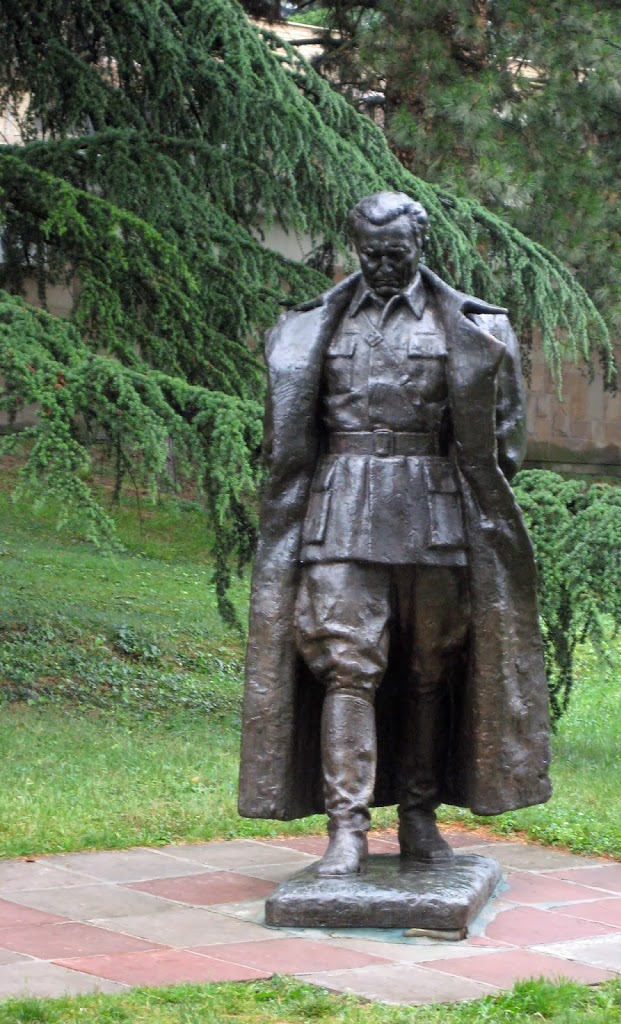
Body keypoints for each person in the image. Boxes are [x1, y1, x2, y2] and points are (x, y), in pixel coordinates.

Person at [239, 192, 551, 876]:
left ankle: (417, 815)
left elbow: (504, 443)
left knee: (428, 670)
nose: (382, 266)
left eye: (396, 254)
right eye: (371, 254)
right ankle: (345, 827)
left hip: (434, 513)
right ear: (356, 247)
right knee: (346, 669)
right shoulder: (306, 327)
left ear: (420, 248)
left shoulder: (476, 326)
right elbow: (286, 433)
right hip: (339, 508)